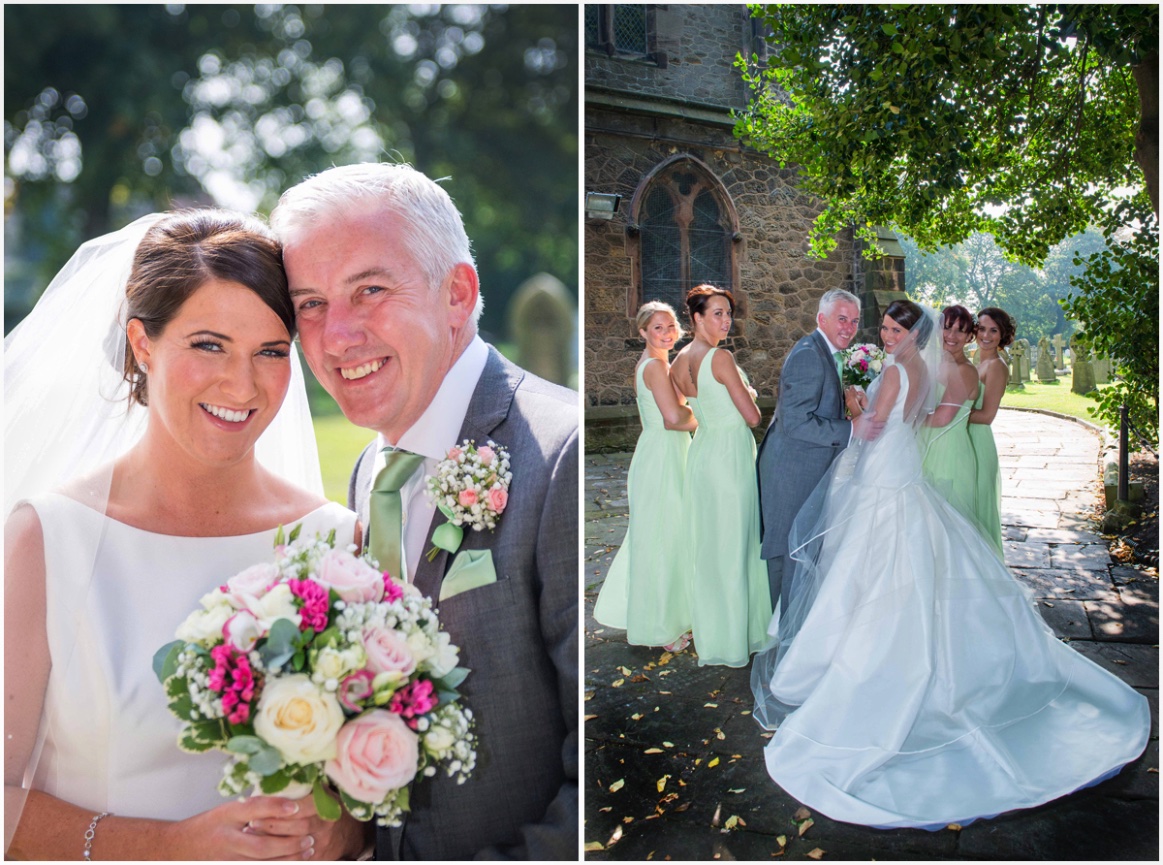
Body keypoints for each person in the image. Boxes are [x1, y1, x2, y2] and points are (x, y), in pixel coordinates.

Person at [4, 210, 364, 859]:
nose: (242, 383)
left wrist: (345, 824)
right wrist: (166, 844)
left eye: (271, 352)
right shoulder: (48, 539)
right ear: (143, 344)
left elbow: (367, 780)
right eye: (208, 344)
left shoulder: (336, 541)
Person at [269, 162, 578, 860]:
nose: (335, 334)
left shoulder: (560, 454)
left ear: (456, 294)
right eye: (310, 303)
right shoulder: (365, 472)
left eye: (368, 290)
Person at [751, 300, 1149, 830]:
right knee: (893, 566)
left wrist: (853, 404)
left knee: (868, 570)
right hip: (902, 469)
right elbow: (913, 421)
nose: (885, 335)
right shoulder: (919, 368)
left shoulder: (896, 370)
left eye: (894, 329)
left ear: (913, 333)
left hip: (881, 476)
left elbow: (873, 425)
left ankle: (859, 660)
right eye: (884, 328)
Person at [757, 288, 882, 619]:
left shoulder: (828, 353)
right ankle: (781, 644)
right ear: (821, 319)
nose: (849, 328)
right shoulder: (809, 355)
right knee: (787, 554)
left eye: (854, 321)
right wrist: (852, 429)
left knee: (801, 552)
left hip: (806, 467)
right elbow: (796, 423)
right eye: (841, 319)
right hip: (792, 471)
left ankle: (791, 633)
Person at [668, 285, 771, 667]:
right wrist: (749, 393)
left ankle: (714, 632)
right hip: (729, 457)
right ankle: (735, 638)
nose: (726, 320)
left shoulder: (678, 362)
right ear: (696, 318)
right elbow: (752, 417)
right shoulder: (721, 358)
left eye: (728, 313)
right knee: (735, 545)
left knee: (711, 546)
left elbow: (688, 410)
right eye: (717, 313)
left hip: (703, 453)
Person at [594, 302, 697, 650]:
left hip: (668, 451)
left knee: (673, 535)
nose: (667, 333)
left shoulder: (662, 363)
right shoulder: (654, 366)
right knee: (662, 539)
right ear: (643, 332)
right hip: (662, 455)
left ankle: (676, 614)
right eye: (658, 328)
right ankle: (661, 627)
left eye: (671, 326)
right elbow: (673, 417)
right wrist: (717, 417)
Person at [912, 304, 981, 528]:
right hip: (924, 446)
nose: (951, 336)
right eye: (947, 327)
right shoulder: (931, 362)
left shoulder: (965, 371)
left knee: (948, 524)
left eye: (960, 330)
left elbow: (943, 417)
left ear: (970, 336)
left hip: (949, 452)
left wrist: (904, 421)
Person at [967, 307, 1014, 556]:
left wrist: (950, 413)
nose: (986, 335)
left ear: (1002, 335)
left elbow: (986, 416)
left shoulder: (996, 366)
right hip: (964, 439)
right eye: (982, 328)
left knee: (977, 511)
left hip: (978, 441)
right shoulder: (977, 358)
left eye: (993, 330)